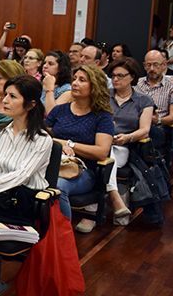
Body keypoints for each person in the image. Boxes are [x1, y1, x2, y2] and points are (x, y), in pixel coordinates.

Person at [0, 75, 53, 226]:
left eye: (12, 96)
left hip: (17, 202)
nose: (5, 100)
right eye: (6, 94)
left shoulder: (42, 139)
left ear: (31, 105)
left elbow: (19, 177)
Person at [48, 64, 114, 233]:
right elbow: (42, 135)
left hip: (83, 171)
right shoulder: (60, 110)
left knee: (57, 186)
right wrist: (58, 143)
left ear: (94, 87)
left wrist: (69, 144)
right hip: (52, 163)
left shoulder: (102, 116)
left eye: (82, 80)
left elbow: (101, 151)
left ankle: (62, 236)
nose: (75, 83)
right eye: (75, 79)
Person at [107, 58, 152, 225]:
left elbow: (145, 129)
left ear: (132, 77)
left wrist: (127, 137)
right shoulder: (104, 95)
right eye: (113, 76)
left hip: (123, 146)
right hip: (102, 141)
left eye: (120, 75)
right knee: (103, 154)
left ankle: (93, 207)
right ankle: (113, 199)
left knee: (107, 158)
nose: (115, 79)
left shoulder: (143, 100)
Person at [134, 50, 173, 159]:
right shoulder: (137, 83)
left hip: (158, 127)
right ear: (144, 66)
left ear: (164, 65)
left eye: (156, 65)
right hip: (134, 123)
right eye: (148, 65)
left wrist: (158, 120)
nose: (151, 69)